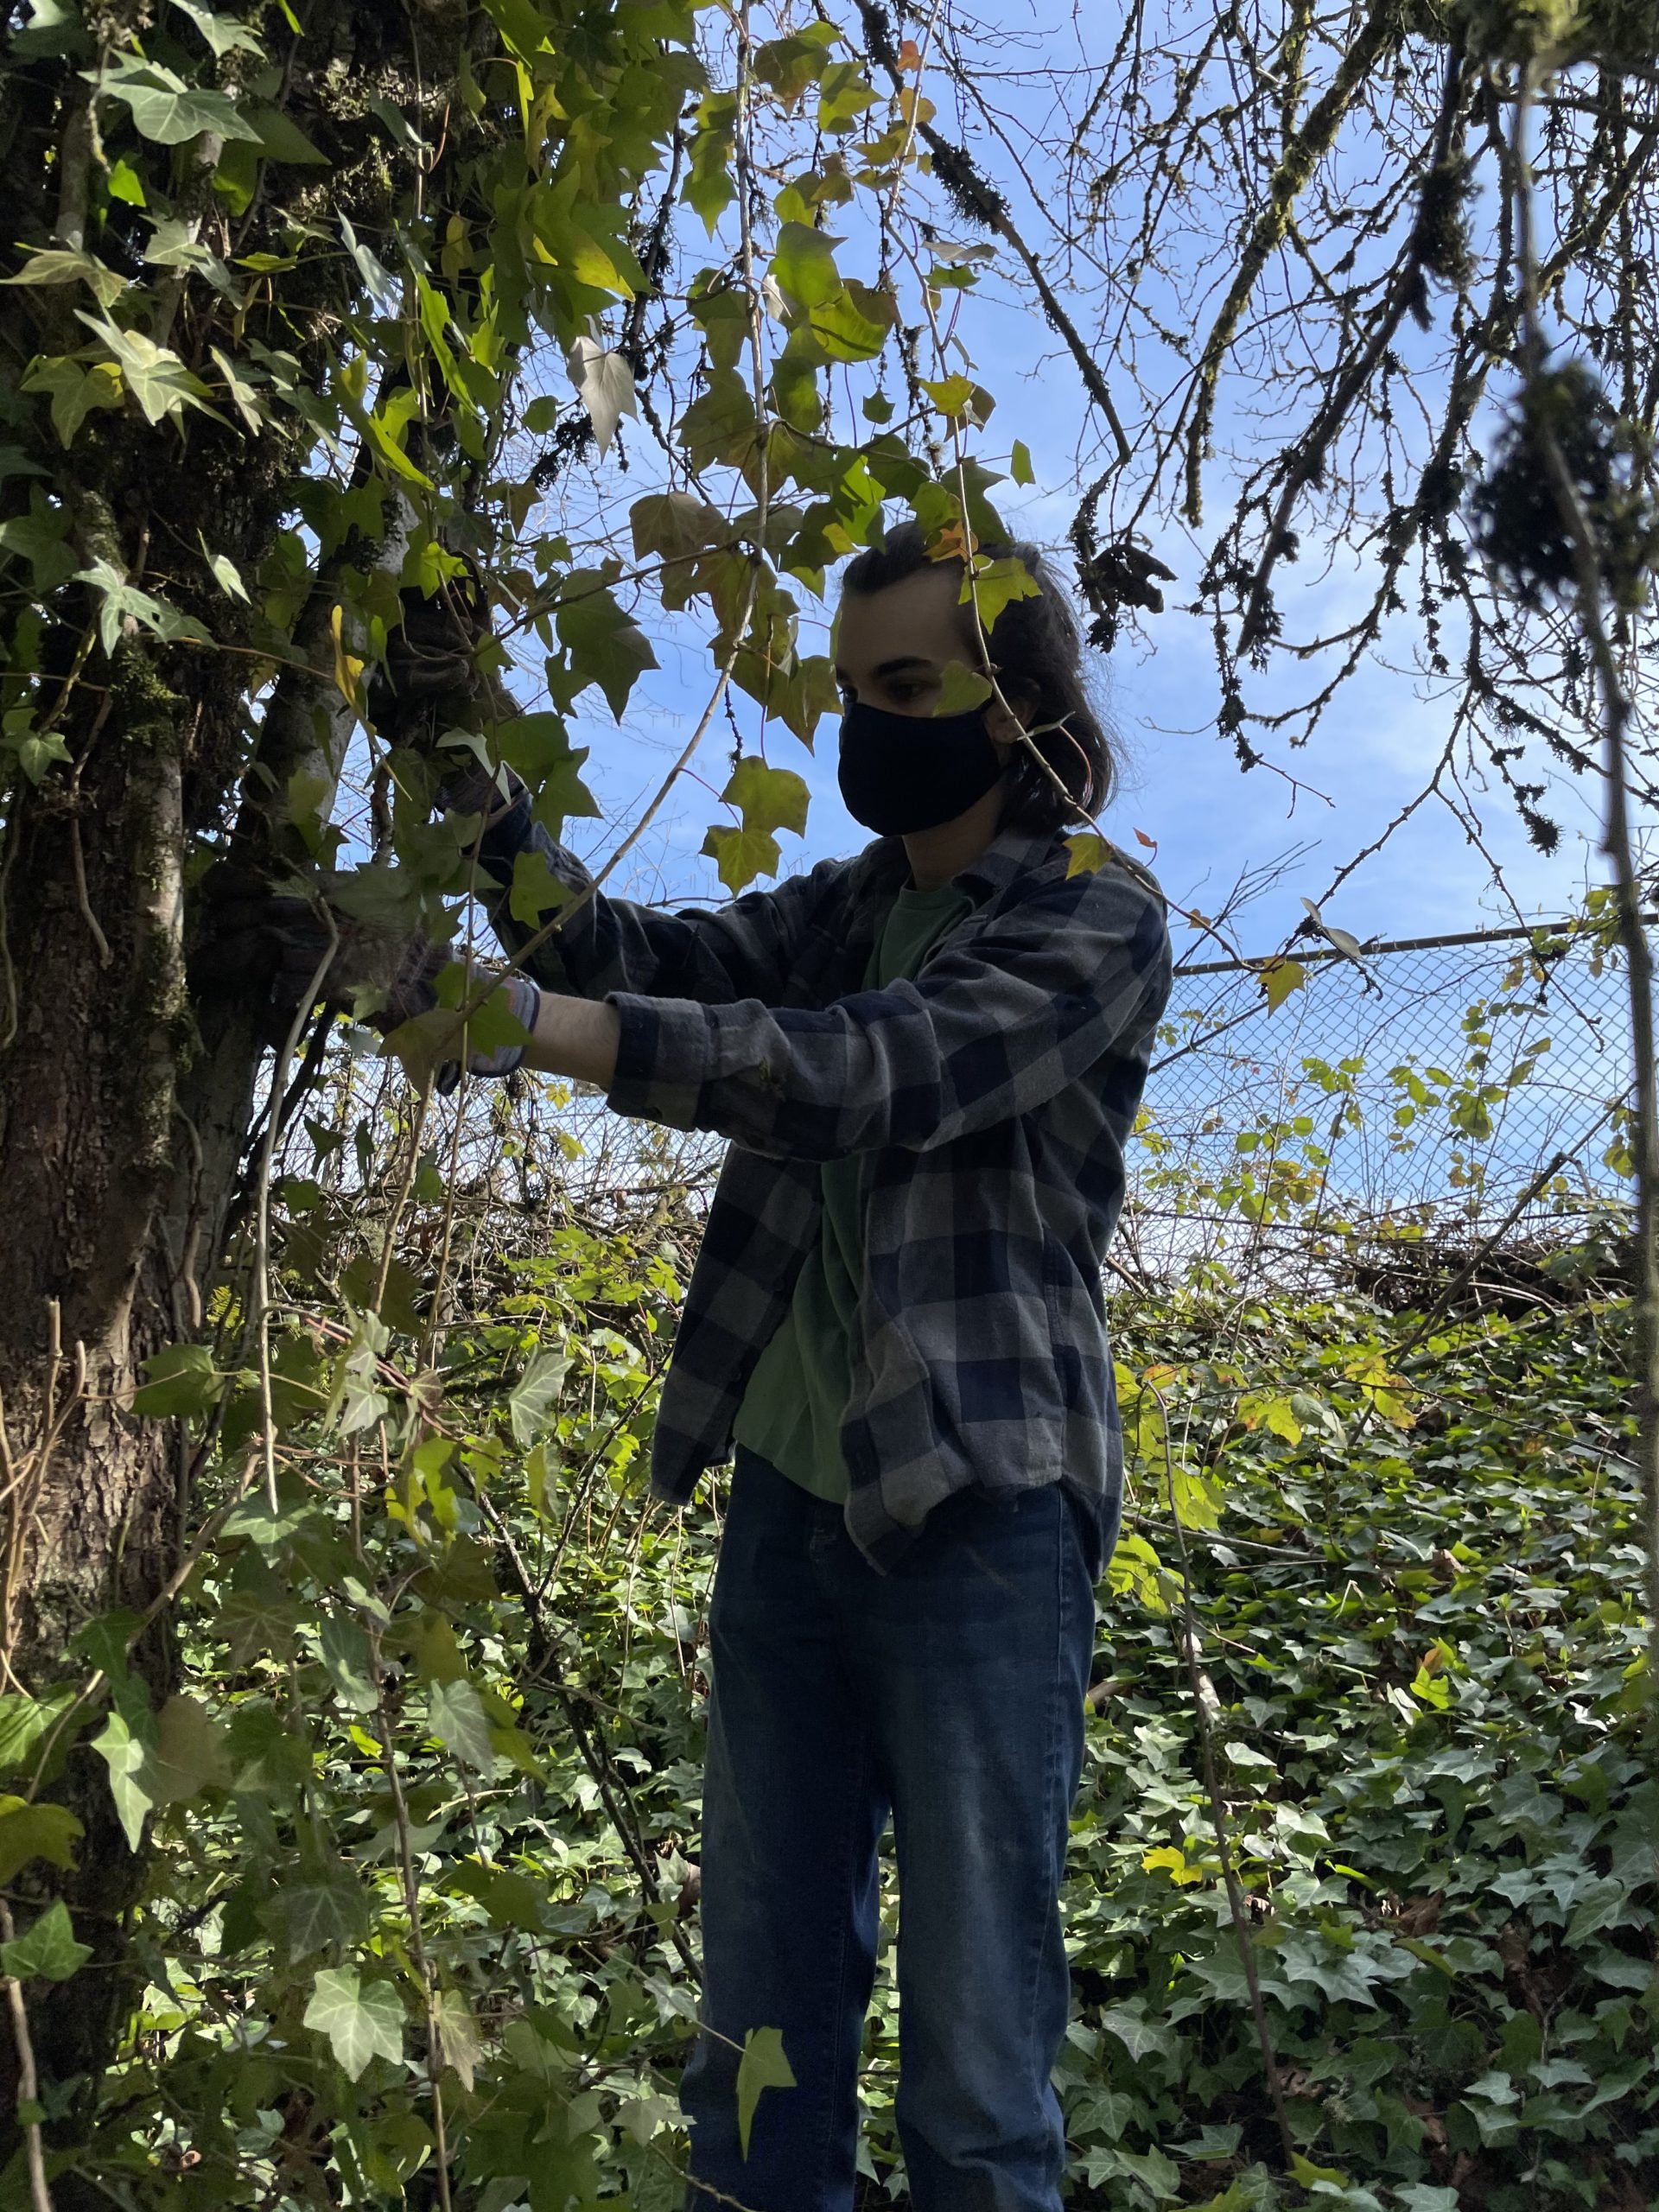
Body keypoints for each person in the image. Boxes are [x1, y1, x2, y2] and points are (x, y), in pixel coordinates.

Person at [210, 523, 1172, 2212]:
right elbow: (642, 958)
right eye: (852, 684)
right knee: (762, 2011)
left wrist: (504, 1022)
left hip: (984, 1520)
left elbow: (869, 1069)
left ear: (1015, 701)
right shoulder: (851, 902)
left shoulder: (1098, 912)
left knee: (974, 2052)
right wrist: (469, 777)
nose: (868, 719)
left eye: (908, 684)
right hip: (795, 1507)